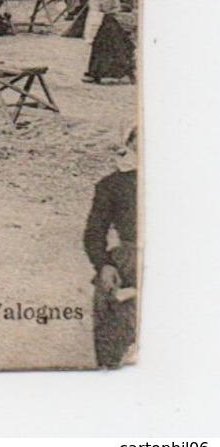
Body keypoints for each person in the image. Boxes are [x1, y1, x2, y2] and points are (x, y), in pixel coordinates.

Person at [83, 124, 138, 367]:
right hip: (132, 257)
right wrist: (103, 265)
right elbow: (94, 233)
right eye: (140, 139)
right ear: (129, 143)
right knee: (110, 308)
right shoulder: (113, 185)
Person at [83, 0, 136, 83]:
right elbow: (117, 6)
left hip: (100, 20)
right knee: (114, 47)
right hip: (111, 20)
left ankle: (97, 73)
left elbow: (95, 12)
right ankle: (116, 73)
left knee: (100, 48)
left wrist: (90, 32)